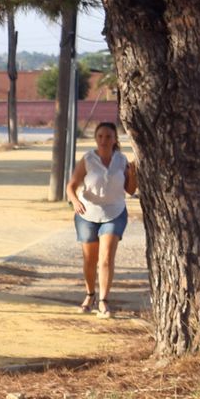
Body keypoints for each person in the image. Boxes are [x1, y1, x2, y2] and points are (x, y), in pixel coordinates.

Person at [65, 121, 137, 318]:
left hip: (114, 213)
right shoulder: (88, 159)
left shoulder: (121, 160)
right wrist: (74, 201)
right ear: (96, 138)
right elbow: (71, 186)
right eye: (100, 136)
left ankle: (104, 301)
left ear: (115, 139)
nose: (104, 140)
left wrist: (133, 174)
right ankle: (90, 295)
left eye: (108, 137)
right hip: (87, 214)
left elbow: (130, 190)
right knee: (90, 259)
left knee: (106, 258)